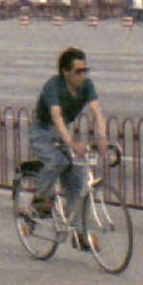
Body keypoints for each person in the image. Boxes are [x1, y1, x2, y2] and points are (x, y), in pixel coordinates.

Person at [21, 47, 104, 215]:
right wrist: (72, 144)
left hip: (62, 131)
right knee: (57, 161)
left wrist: (102, 137)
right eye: (78, 72)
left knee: (78, 179)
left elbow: (98, 113)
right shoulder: (53, 86)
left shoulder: (87, 86)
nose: (83, 76)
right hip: (42, 131)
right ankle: (39, 201)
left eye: (85, 71)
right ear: (65, 72)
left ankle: (76, 230)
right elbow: (56, 117)